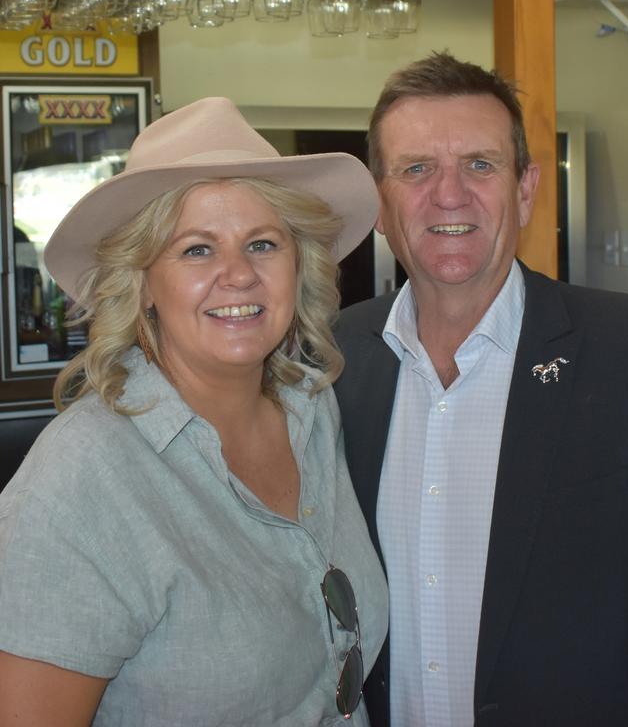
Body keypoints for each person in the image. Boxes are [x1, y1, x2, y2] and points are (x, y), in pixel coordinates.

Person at [0, 97, 388, 726]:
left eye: (262, 243)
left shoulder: (315, 416)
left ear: (299, 268)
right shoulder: (79, 482)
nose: (237, 275)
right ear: (143, 283)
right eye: (197, 250)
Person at [334, 51, 628, 727]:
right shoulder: (328, 363)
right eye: (417, 169)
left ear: (526, 189)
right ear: (380, 203)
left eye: (480, 165)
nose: (450, 195)